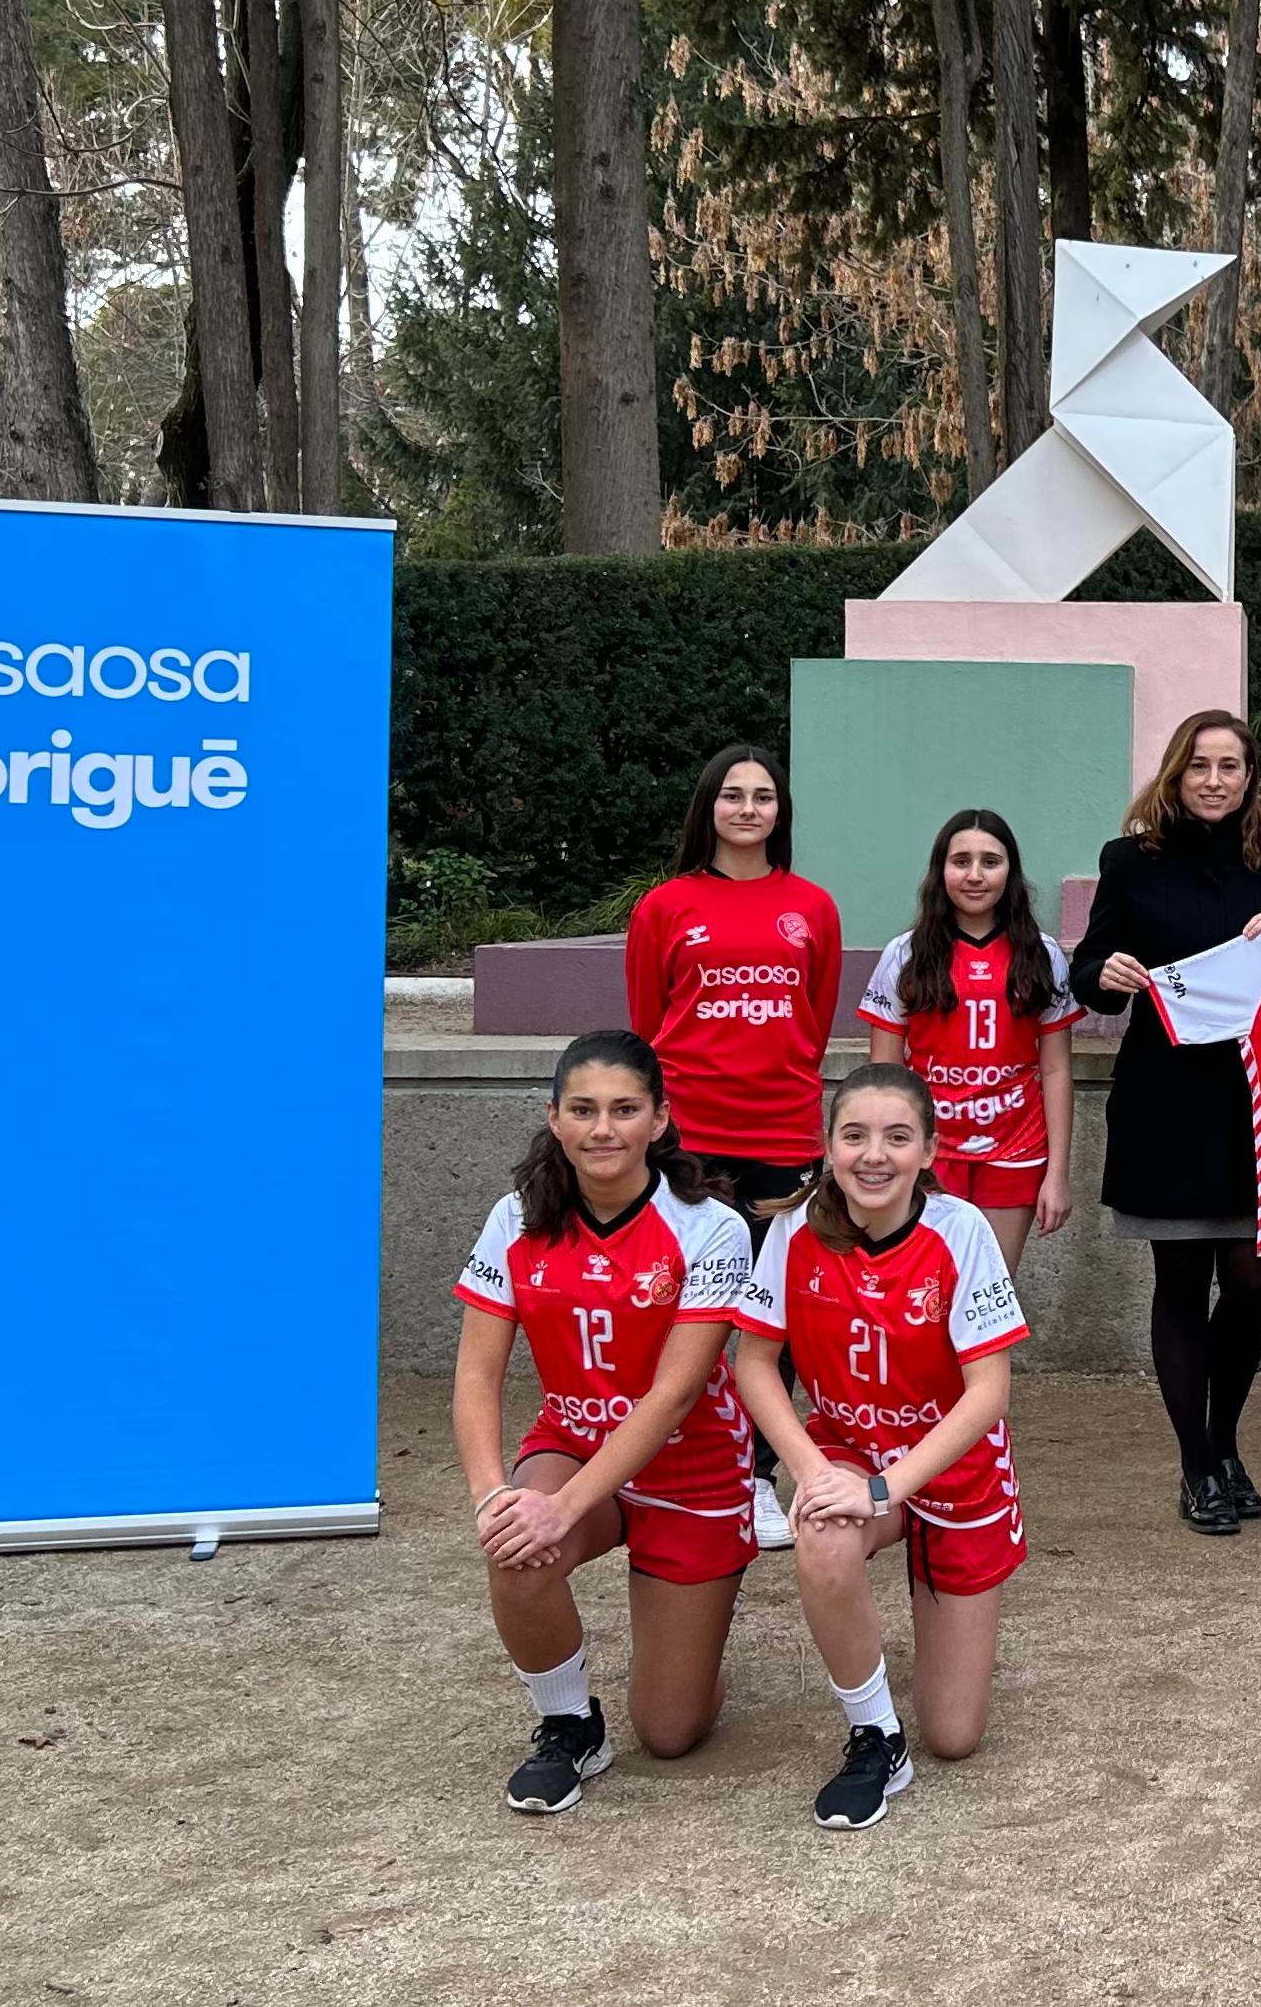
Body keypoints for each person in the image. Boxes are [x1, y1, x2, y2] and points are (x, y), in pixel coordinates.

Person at [446, 1030, 762, 1814]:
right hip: (573, 1441)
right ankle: (570, 1724)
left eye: (625, 1110)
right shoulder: (516, 1217)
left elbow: (673, 1396)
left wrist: (563, 1506)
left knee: (670, 1730)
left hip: (692, 1470)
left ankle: (693, 1636)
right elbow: (478, 1373)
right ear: (553, 1119)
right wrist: (496, 1499)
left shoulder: (711, 1225)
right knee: (518, 1547)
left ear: (659, 1120)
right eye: (582, 1110)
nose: (603, 1129)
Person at [733, 1063, 1031, 1831]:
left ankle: (925, 1682)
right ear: (828, 1147)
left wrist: (888, 1487)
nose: (874, 1155)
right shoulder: (797, 1231)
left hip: (953, 1471)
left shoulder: (959, 1229)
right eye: (854, 1135)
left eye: (898, 1138)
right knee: (823, 1536)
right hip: (850, 1451)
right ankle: (875, 1735)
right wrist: (809, 1475)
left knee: (956, 1737)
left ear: (929, 1151)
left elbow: (988, 1393)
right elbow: (755, 1363)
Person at [1068, 710, 1261, 1535]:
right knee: (1180, 1283)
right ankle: (1195, 1464)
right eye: (1200, 765)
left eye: (1231, 766)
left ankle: (1224, 1442)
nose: (1215, 779)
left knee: (1252, 1282)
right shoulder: (1131, 861)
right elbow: (1089, 974)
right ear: (1176, 774)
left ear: (1252, 777)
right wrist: (1103, 972)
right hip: (1167, 1097)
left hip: (1260, 1100)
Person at [625, 743, 843, 1549]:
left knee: (766, 1316)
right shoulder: (665, 906)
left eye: (762, 797)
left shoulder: (812, 906)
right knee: (684, 1306)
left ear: (780, 812)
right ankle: (680, 1456)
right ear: (708, 808)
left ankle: (753, 1475)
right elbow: (649, 1023)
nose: (748, 809)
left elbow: (814, 1023)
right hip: (689, 1139)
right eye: (732, 796)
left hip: (782, 1132)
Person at [862, 807, 1083, 1265]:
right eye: (961, 861)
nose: (975, 875)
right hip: (927, 1152)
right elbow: (882, 1077)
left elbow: (1057, 1067)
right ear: (941, 870)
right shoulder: (904, 954)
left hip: (1016, 1148)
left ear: (1011, 871)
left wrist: (1057, 1174)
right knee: (920, 1292)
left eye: (991, 861)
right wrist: (880, 1156)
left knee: (989, 1300)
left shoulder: (1042, 955)